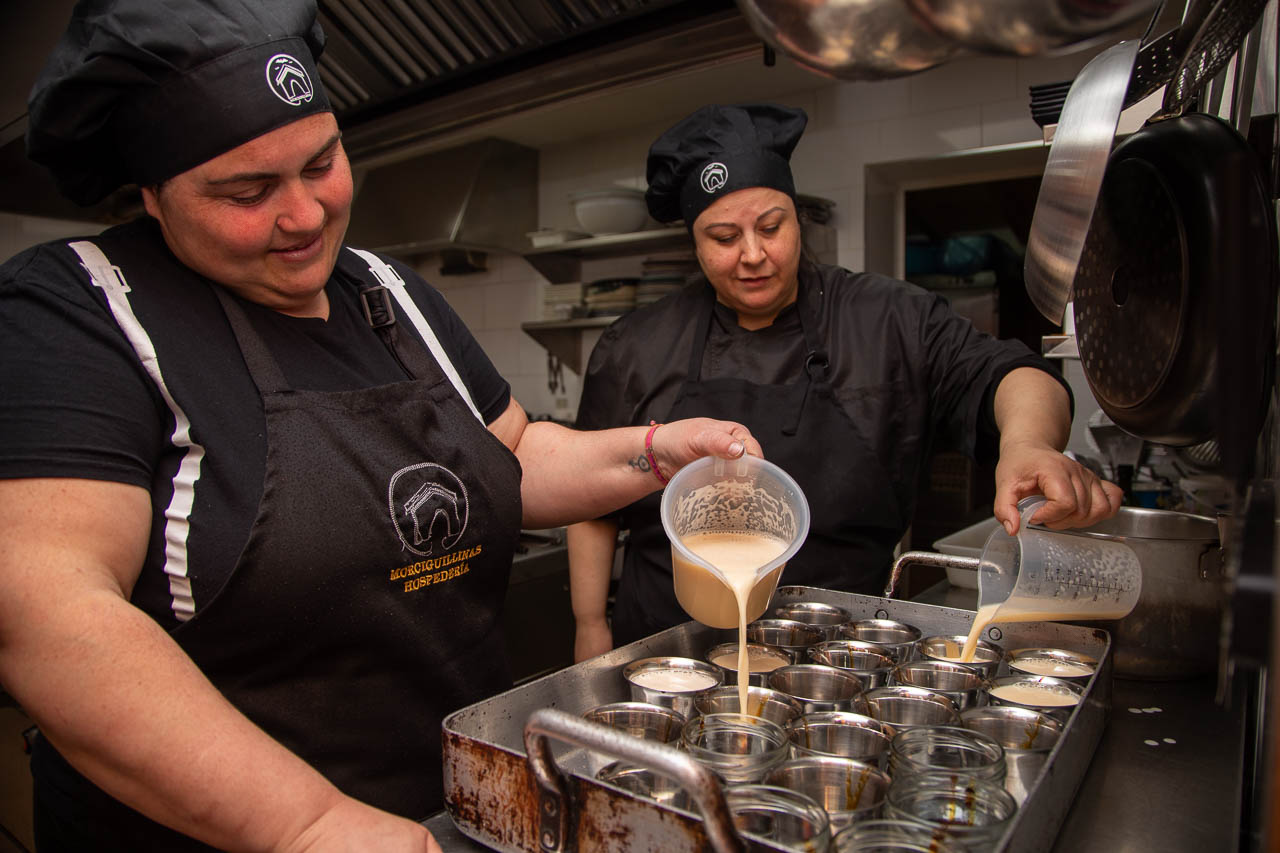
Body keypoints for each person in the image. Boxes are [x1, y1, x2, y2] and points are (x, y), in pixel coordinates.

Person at [0, 5, 763, 851]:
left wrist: (656, 452)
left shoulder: (388, 292)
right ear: (152, 196)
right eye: (248, 193)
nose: (304, 215)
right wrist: (311, 824)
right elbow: (49, 610)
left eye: (321, 163)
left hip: (458, 801)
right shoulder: (79, 312)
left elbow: (510, 454)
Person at [568, 103, 1124, 659]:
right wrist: (590, 624)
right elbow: (592, 497)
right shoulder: (635, 344)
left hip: (840, 653)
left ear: (797, 218)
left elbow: (1013, 373)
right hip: (667, 650)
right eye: (723, 237)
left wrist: (1028, 444)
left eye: (771, 227)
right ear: (694, 243)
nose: (754, 255)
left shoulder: (890, 319)